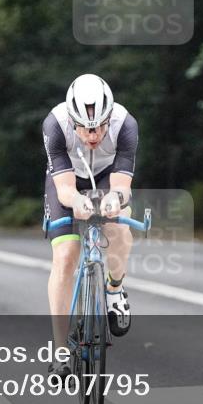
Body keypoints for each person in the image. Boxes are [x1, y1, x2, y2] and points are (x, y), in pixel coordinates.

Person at [42, 74, 138, 382]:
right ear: (72, 121)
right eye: (84, 127)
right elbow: (65, 190)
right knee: (66, 256)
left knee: (119, 227)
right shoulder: (55, 124)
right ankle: (59, 351)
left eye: (99, 126)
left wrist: (114, 199)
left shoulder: (126, 125)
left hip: (109, 178)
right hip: (68, 180)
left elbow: (122, 187)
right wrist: (77, 202)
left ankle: (115, 288)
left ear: (110, 117)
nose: (93, 135)